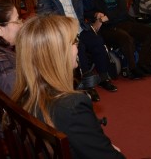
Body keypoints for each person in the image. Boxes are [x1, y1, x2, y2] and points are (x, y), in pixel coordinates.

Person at [11, 15, 126, 159]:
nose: (77, 47)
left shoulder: (23, 93)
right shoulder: (72, 106)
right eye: (74, 41)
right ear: (58, 53)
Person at [37, 0, 118, 100]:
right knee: (78, 48)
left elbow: (89, 8)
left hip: (80, 28)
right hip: (63, 32)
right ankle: (87, 85)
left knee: (97, 41)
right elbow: (44, 15)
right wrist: (64, 26)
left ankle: (104, 77)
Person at [88, 0, 151, 79]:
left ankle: (143, 64)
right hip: (107, 27)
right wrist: (96, 14)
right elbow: (87, 11)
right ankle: (132, 68)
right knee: (125, 37)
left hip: (123, 22)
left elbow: (122, 10)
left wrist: (108, 16)